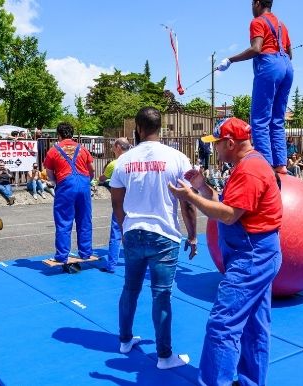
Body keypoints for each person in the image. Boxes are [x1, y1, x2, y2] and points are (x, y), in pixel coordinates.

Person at [168, 117, 282, 385]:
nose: (214, 149)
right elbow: (229, 204)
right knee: (255, 326)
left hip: (251, 257)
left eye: (217, 144)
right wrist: (202, 187)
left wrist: (191, 198)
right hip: (257, 253)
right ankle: (251, 381)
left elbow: (229, 215)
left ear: (230, 143)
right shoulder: (247, 165)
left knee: (223, 325)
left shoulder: (250, 170)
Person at [110, 107, 198, 370]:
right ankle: (164, 356)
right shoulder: (178, 158)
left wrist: (126, 229)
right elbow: (188, 203)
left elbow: (117, 203)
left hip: (134, 232)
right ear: (160, 127)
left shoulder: (124, 160)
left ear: (137, 128)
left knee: (130, 289)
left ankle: (125, 340)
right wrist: (193, 236)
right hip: (164, 235)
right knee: (161, 295)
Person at [216, 0, 293, 173]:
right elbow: (290, 53)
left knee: (259, 120)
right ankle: (280, 165)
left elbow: (256, 48)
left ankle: (264, 166)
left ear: (257, 3)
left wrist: (230, 60)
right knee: (277, 119)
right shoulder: (282, 25)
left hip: (269, 65)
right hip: (287, 67)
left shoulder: (257, 21)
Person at [44, 122, 96, 265]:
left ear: (58, 135)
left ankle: (62, 256)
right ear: (72, 134)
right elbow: (91, 169)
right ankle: (85, 253)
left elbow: (49, 173)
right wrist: (87, 181)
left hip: (66, 185)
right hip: (84, 184)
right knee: (85, 219)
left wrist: (57, 183)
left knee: (63, 221)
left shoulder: (53, 150)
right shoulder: (83, 149)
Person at [98, 137, 131, 273]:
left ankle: (111, 265)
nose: (112, 148)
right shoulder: (135, 161)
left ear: (118, 147)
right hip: (136, 202)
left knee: (116, 232)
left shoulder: (114, 164)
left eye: (113, 146)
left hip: (121, 202)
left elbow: (102, 178)